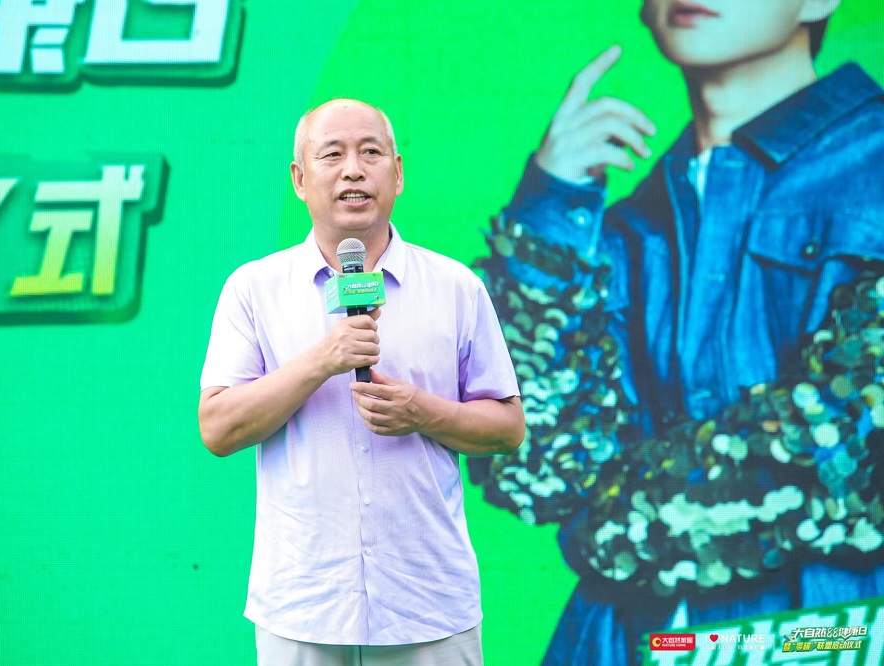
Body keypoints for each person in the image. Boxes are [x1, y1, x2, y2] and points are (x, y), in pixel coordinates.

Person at [469, 0, 884, 664]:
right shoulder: (627, 224)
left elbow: (853, 449)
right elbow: (536, 466)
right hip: (619, 644)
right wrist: (551, 209)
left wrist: (618, 517)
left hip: (823, 638)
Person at [198, 98, 525, 666]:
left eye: (370, 153)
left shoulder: (456, 287)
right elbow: (218, 428)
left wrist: (423, 412)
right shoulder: (254, 289)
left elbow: (507, 428)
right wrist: (322, 360)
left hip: (427, 602)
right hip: (304, 605)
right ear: (300, 179)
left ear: (397, 173)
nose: (353, 170)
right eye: (332, 155)